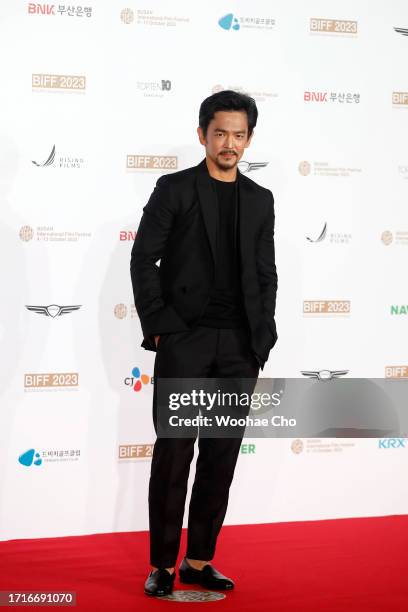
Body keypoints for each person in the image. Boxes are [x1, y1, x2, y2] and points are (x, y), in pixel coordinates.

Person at [130, 90, 278, 596]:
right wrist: (160, 327)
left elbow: (266, 272)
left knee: (222, 455)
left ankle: (198, 560)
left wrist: (264, 335)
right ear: (202, 135)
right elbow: (142, 261)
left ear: (249, 139)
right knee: (174, 454)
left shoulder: (261, 199)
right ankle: (161, 566)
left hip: (241, 345)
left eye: (239, 135)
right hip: (186, 340)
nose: (229, 144)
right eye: (220, 134)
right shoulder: (174, 189)